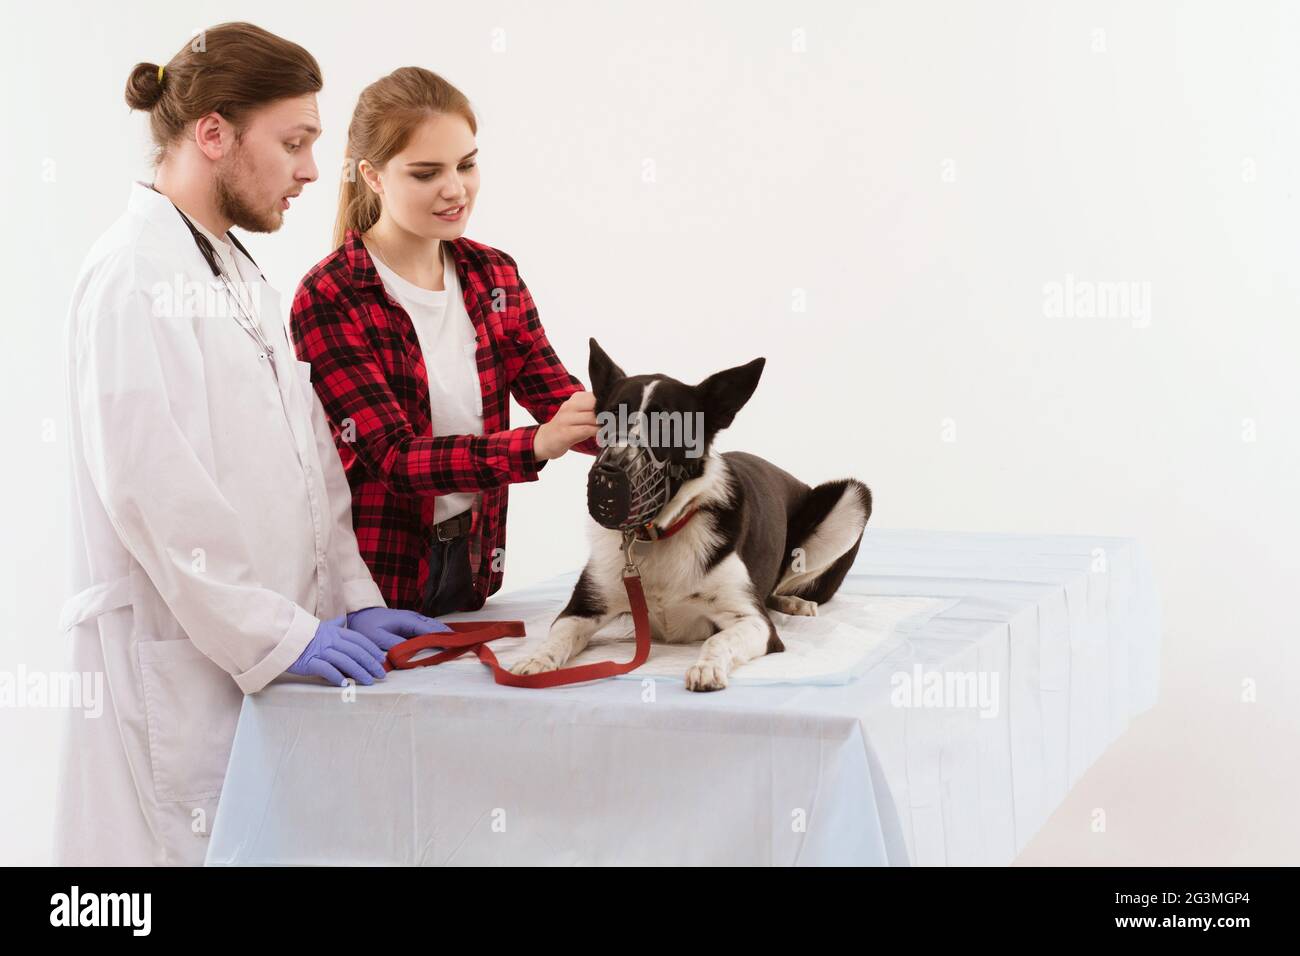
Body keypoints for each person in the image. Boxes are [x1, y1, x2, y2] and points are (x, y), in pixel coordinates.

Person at [55, 23, 447, 867]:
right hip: (179, 676)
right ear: (214, 134)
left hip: (253, 659)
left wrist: (349, 595)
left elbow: (310, 461)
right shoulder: (133, 275)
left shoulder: (234, 270)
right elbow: (151, 493)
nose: (313, 168)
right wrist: (276, 634)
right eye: (294, 142)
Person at [290, 66, 600, 617]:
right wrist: (533, 445)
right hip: (372, 579)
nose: (455, 189)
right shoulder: (330, 295)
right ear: (373, 175)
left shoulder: (493, 275)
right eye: (426, 172)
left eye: (466, 164)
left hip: (472, 563)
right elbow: (394, 458)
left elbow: (558, 397)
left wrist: (654, 432)